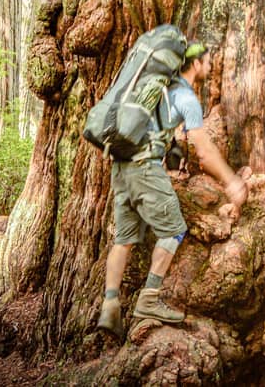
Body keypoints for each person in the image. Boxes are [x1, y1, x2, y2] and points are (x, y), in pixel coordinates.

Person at [96, 41, 248, 335]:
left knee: (124, 239)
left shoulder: (159, 91)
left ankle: (110, 303)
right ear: (195, 65)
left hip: (121, 167)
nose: (211, 66)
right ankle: (149, 300)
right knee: (174, 230)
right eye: (207, 62)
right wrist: (231, 180)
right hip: (143, 168)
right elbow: (203, 150)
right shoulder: (186, 97)